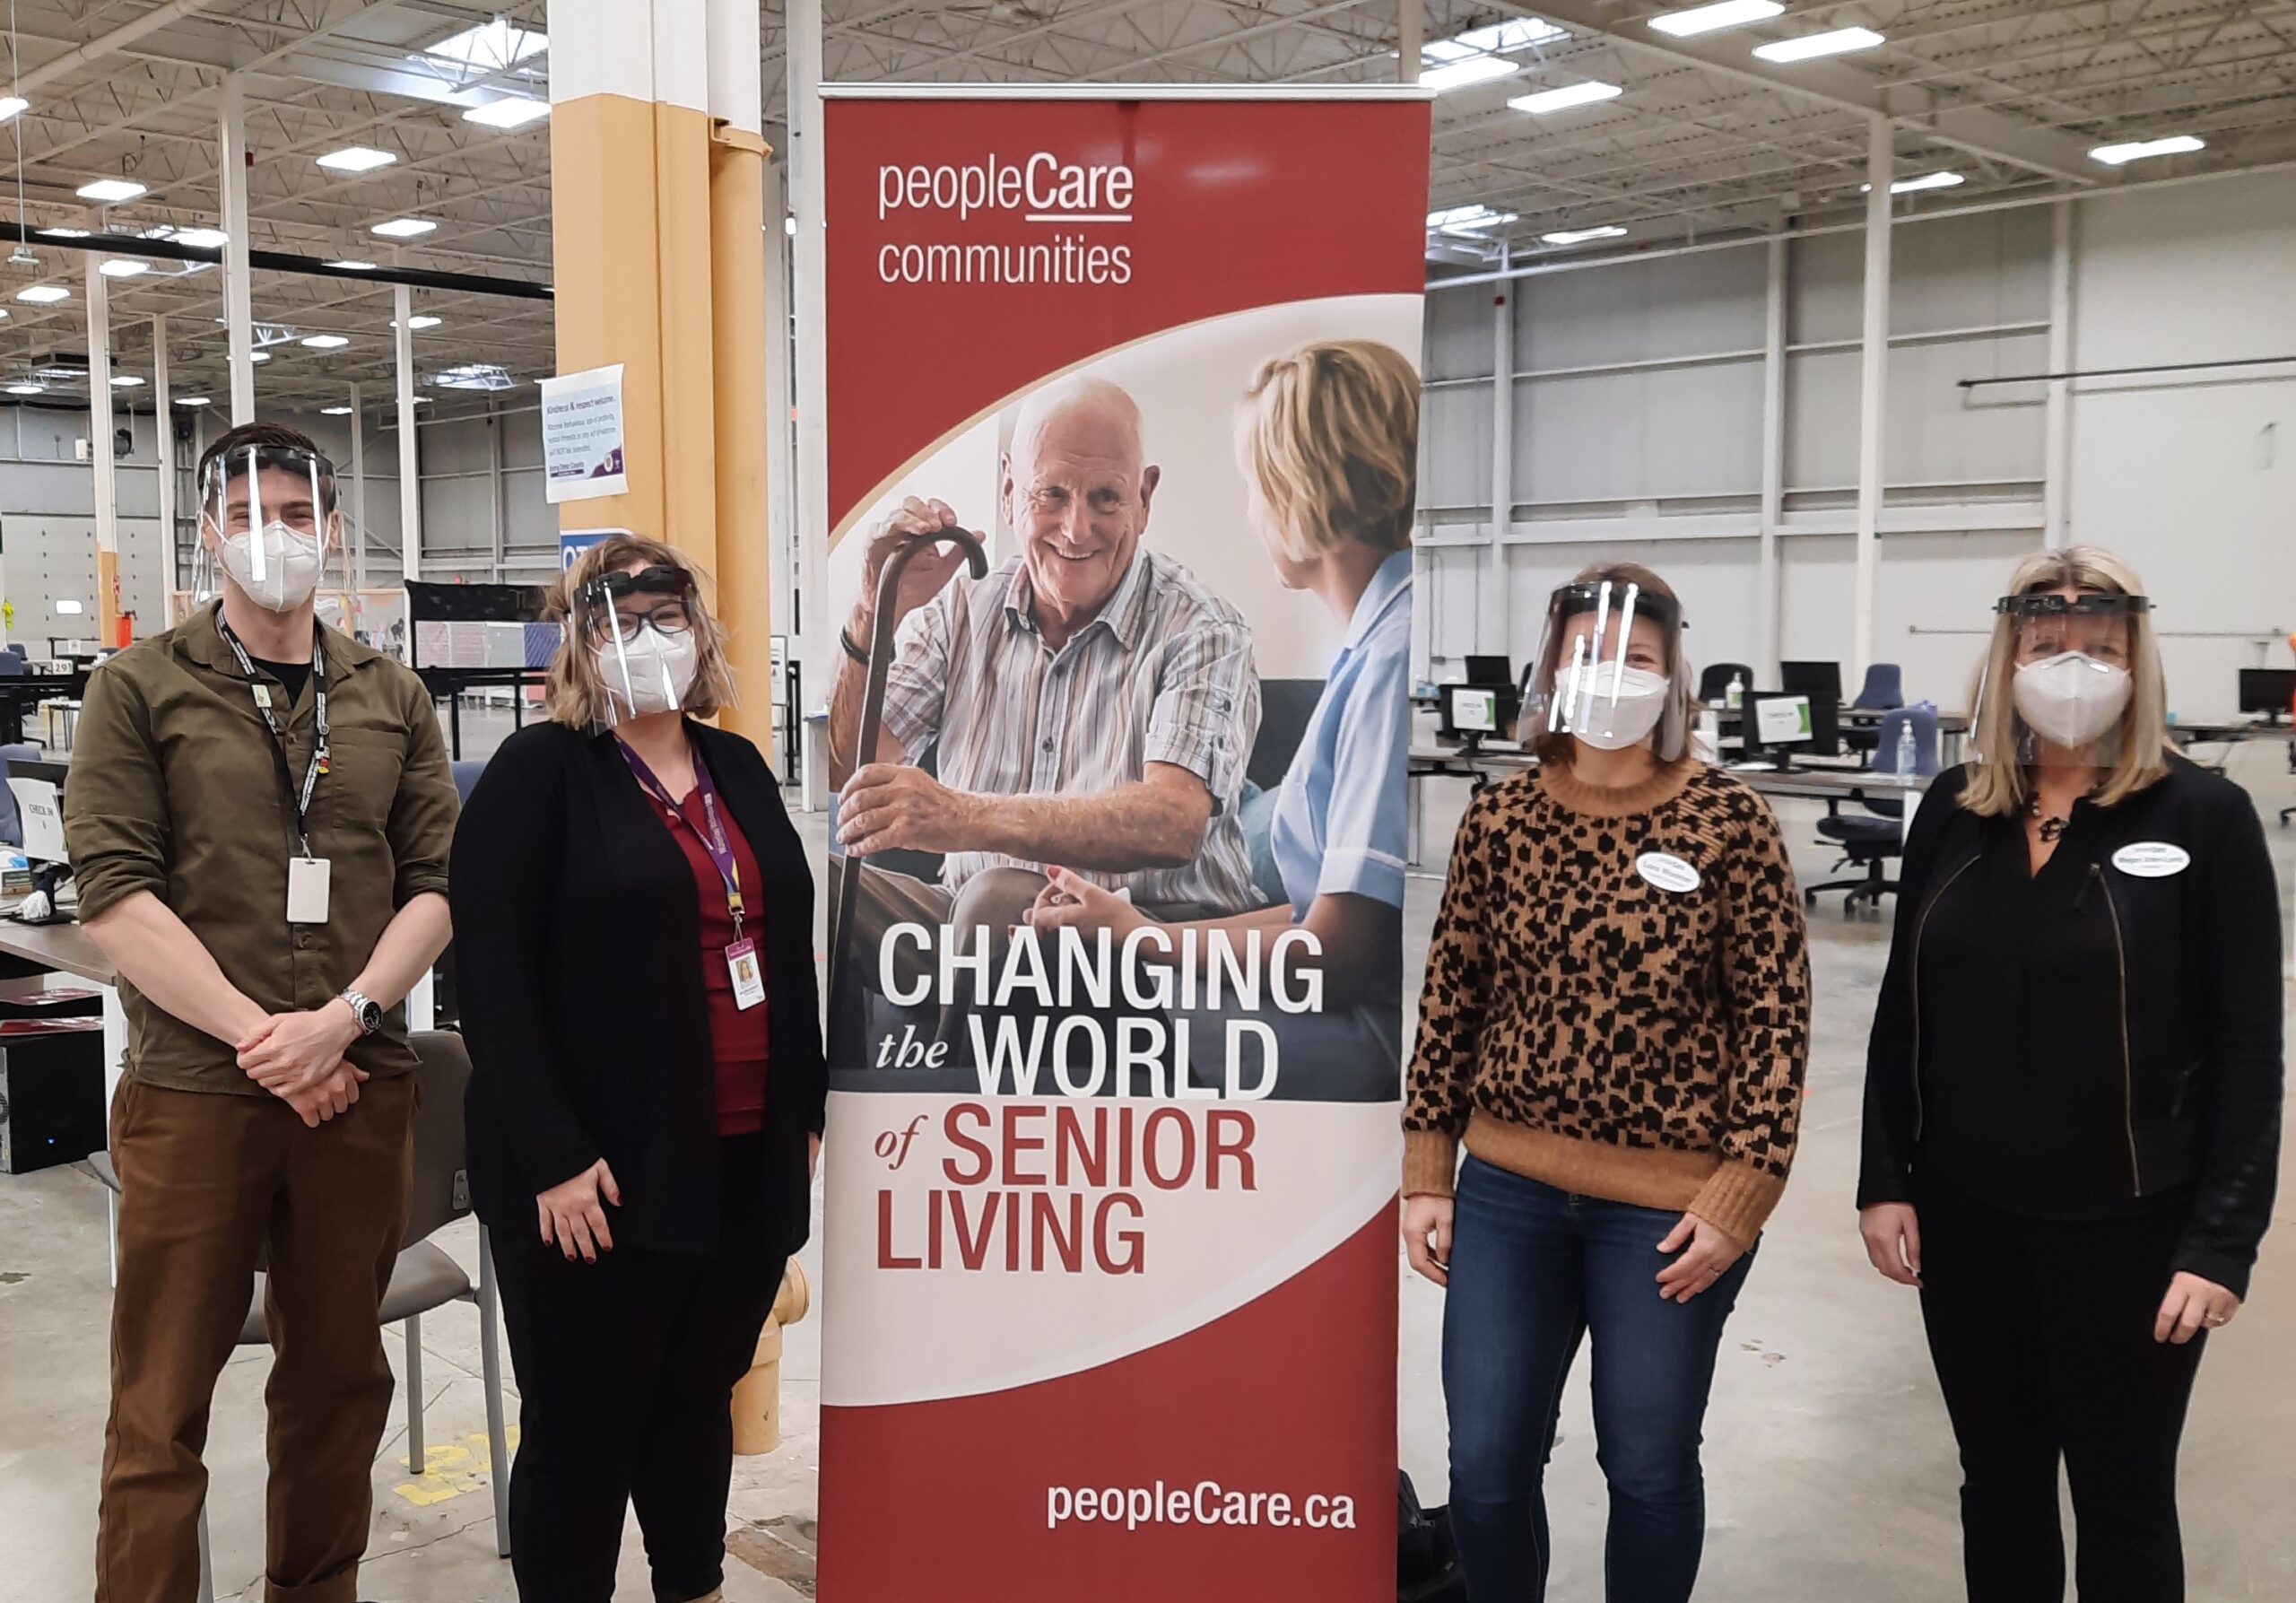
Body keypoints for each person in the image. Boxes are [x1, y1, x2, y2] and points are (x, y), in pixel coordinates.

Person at [65, 422, 459, 1602]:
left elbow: (439, 887)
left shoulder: (388, 694)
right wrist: (267, 1036)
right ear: (206, 530)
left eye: (296, 513)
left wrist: (340, 1018)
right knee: (160, 1401)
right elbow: (115, 901)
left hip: (357, 1086)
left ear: (331, 527)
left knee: (339, 1379)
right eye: (248, 515)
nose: (274, 536)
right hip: (195, 1097)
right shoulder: (136, 687)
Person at [1857, 546, 2283, 1603]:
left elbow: (2247, 1046)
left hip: (2132, 1226)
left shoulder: (2203, 818)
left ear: (2138, 658)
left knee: (2122, 1494)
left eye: (2101, 642)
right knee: (1995, 1483)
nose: (2074, 662)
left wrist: (2222, 1241)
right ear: (2008, 658)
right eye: (2048, 641)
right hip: (1967, 1217)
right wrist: (1883, 1173)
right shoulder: (1955, 809)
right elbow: (1903, 1005)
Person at [1401, 564, 1811, 1603]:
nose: (1610, 676)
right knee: (1486, 1469)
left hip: (1669, 1214)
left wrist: (1739, 1195)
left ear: (1673, 677)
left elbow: (1776, 1020)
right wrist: (1426, 1168)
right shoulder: (1499, 819)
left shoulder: (1731, 822)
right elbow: (1452, 995)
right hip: (1507, 1192)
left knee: (1648, 1463)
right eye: (1588, 654)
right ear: (1551, 668)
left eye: (1635, 659)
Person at [451, 536, 825, 1603]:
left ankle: (691, 1584)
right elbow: (495, 977)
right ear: (580, 644)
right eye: (618, 620)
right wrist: (555, 1155)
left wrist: (802, 1099)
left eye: (667, 615)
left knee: (693, 1396)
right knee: (581, 1428)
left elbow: (784, 940)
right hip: (600, 1175)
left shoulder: (736, 765)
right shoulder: (540, 775)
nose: (647, 639)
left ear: (701, 633)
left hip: (741, 1154)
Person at [1023, 339, 1418, 1100]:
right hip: (1327, 987)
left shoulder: (1386, 662)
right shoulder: (1376, 640)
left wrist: (1148, 944)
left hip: (1354, 1034)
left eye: (1253, 484)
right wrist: (1141, 932)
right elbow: (1317, 915)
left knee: (1097, 1002)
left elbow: (1342, 953)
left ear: (1297, 486)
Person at [826, 374, 1264, 1002]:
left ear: (1146, 496)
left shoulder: (1202, 627)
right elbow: (848, 766)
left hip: (1141, 945)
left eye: (1106, 498)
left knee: (996, 898)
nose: (1076, 528)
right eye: (1051, 494)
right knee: (809, 880)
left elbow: (1174, 823)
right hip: (968, 928)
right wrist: (874, 609)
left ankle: (948, 1096)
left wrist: (962, 817)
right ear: (1010, 491)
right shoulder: (964, 610)